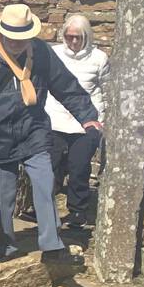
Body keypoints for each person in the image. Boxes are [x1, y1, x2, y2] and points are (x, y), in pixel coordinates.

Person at [0, 5, 103, 265]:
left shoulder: (40, 52)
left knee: (44, 184)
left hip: (33, 129)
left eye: (23, 38)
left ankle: (52, 245)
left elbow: (65, 85)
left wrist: (88, 117)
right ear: (1, 32)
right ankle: (6, 247)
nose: (18, 43)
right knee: (1, 197)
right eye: (12, 38)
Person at [46, 14, 110, 229]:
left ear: (87, 37)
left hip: (85, 124)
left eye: (78, 37)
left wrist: (101, 121)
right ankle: (44, 210)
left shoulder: (99, 58)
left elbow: (106, 90)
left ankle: (77, 212)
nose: (73, 41)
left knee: (79, 168)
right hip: (54, 119)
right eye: (70, 36)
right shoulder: (52, 54)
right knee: (49, 167)